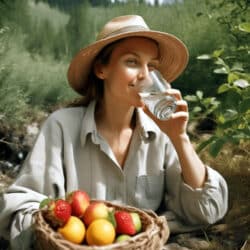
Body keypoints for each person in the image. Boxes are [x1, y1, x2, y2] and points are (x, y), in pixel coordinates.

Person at [0, 15, 228, 249]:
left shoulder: (161, 133)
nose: (146, 76)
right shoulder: (61, 127)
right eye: (132, 62)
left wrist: (180, 138)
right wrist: (67, 232)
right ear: (101, 69)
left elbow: (207, 210)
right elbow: (19, 205)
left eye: (152, 66)